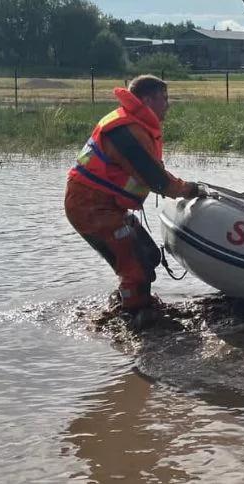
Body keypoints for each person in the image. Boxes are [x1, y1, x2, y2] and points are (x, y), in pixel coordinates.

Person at [64, 75, 202, 325]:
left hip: (107, 206)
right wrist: (189, 189)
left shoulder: (135, 125)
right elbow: (158, 181)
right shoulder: (125, 131)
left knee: (148, 254)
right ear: (147, 100)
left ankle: (131, 303)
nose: (168, 105)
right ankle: (135, 317)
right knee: (135, 265)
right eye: (164, 99)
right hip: (90, 207)